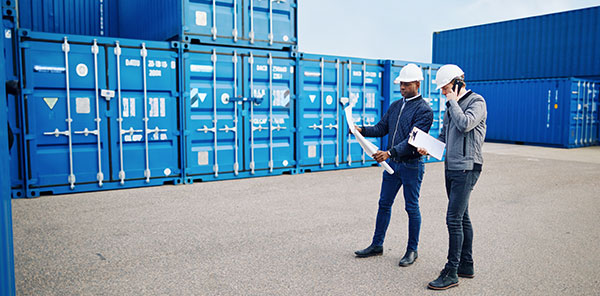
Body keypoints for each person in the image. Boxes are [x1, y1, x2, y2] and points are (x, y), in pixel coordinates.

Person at [353, 63, 434, 267]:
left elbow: (412, 141)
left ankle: (412, 250)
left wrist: (389, 153)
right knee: (383, 204)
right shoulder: (396, 106)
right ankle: (377, 245)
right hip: (392, 166)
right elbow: (381, 128)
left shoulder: (425, 111)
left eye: (406, 84)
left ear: (417, 84)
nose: (402, 88)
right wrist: (361, 129)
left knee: (411, 207)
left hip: (411, 166)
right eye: (401, 84)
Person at [417, 64, 487, 290]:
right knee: (462, 217)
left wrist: (453, 101)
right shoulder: (450, 107)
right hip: (452, 167)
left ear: (458, 83)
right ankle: (466, 264)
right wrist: (427, 146)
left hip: (467, 167)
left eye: (446, 88)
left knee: (453, 219)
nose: (443, 93)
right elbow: (444, 135)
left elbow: (466, 124)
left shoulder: (477, 102)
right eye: (443, 90)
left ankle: (452, 271)